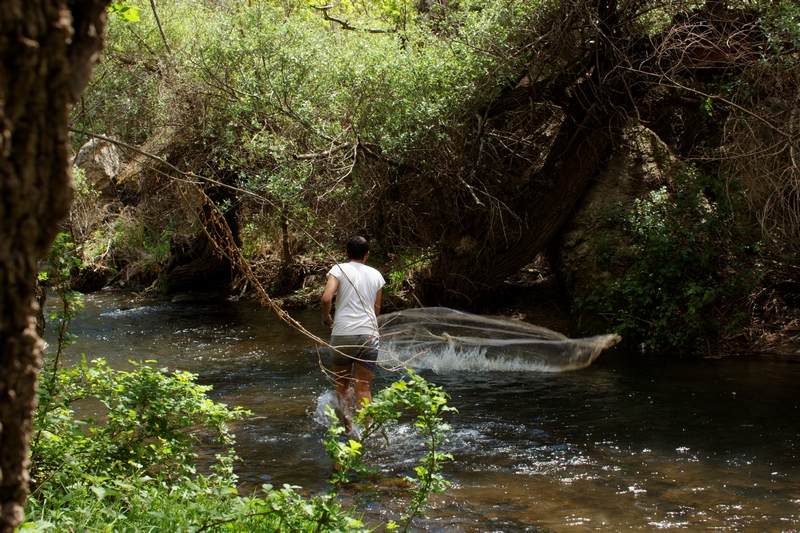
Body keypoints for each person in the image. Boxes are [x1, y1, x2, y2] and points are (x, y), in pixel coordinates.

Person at [321, 236, 385, 433]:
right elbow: (376, 311)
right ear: (367, 255)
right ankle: (366, 432)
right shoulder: (376, 275)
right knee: (364, 387)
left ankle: (349, 431)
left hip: (343, 335)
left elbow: (326, 299)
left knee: (342, 385)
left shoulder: (338, 269)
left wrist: (326, 320)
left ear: (346, 253)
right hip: (368, 335)